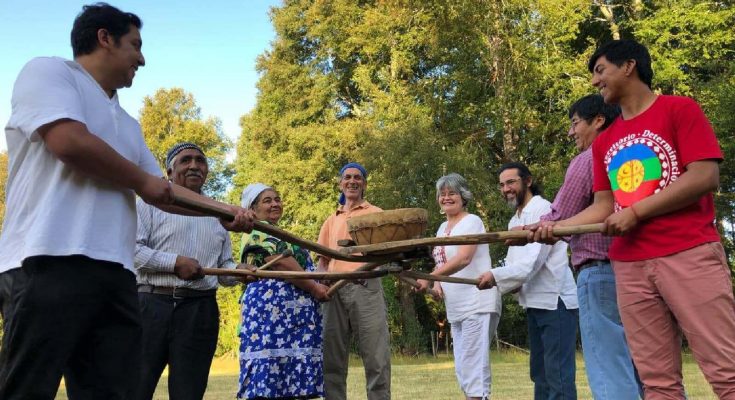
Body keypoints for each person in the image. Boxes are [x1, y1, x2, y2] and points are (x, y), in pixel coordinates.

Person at [0, 4, 253, 399]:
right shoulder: (49, 72)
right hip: (44, 261)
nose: (142, 58)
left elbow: (164, 193)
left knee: (115, 392)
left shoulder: (128, 124)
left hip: (116, 277)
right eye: (135, 45)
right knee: (27, 389)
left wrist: (225, 213)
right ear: (105, 38)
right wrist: (143, 183)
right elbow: (69, 142)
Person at [530, 39, 735, 399]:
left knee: (726, 369)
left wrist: (637, 211)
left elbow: (705, 176)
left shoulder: (679, 110)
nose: (595, 82)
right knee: (656, 382)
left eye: (600, 70)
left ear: (628, 66)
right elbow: (604, 205)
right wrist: (553, 229)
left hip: (688, 253)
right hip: (629, 266)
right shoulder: (604, 142)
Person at [532, 94, 642, 399]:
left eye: (574, 123)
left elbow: (559, 215)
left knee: (608, 365)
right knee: (645, 365)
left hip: (600, 272)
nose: (571, 132)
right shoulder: (634, 155)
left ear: (598, 120)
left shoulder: (589, 158)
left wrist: (535, 229)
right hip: (638, 270)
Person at [134, 142, 246, 400]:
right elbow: (132, 251)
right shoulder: (148, 204)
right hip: (151, 305)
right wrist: (174, 263)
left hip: (199, 311)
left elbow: (223, 266)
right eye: (185, 160)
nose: (194, 165)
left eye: (200, 161)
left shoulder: (219, 213)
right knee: (135, 387)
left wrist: (238, 271)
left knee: (190, 392)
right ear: (170, 172)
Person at [478, 162, 578, 400]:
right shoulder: (515, 221)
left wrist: (495, 276)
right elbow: (513, 266)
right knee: (540, 373)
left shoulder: (543, 210)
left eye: (511, 182)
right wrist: (495, 277)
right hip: (534, 304)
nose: (506, 189)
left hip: (557, 303)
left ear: (528, 181)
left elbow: (533, 263)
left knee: (558, 375)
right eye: (502, 185)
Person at [238, 183, 329, 399]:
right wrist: (315, 288)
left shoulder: (281, 234)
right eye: (267, 200)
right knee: (270, 379)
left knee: (290, 385)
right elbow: (282, 264)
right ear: (252, 209)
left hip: (293, 319)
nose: (275, 204)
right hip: (271, 316)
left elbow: (306, 269)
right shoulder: (257, 231)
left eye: (277, 199)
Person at [416, 173, 502, 400]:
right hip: (456, 307)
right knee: (463, 368)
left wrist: (429, 275)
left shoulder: (472, 221)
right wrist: (435, 287)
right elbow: (442, 261)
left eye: (452, 193)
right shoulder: (442, 227)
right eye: (442, 194)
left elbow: (464, 258)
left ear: (463, 196)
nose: (446, 198)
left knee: (474, 366)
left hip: (477, 302)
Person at [317, 162, 391, 400]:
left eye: (357, 177)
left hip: (366, 288)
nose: (352, 181)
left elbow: (387, 254)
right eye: (347, 177)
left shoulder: (376, 214)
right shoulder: (331, 220)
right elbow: (323, 262)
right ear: (340, 183)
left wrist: (368, 267)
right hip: (334, 291)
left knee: (376, 356)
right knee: (331, 359)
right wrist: (320, 285)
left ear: (364, 184)